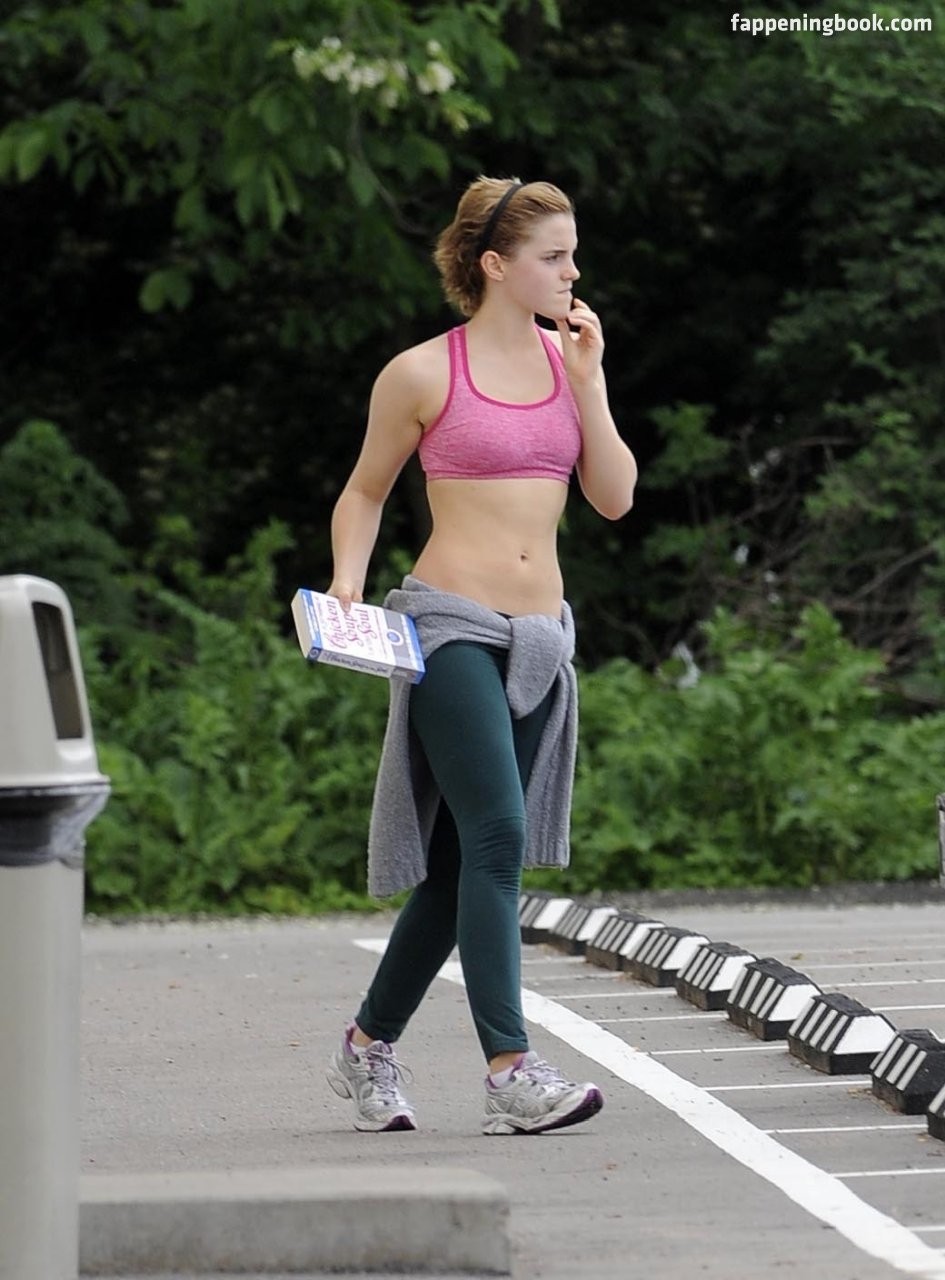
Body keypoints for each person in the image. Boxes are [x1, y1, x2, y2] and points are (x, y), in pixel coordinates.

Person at [324, 176, 637, 1135]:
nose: (572, 272)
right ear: (496, 265)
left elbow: (614, 497)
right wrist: (347, 582)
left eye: (573, 254)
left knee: (459, 866)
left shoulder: (567, 363)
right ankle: (511, 1070)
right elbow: (365, 491)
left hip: (540, 637)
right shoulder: (423, 373)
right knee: (497, 836)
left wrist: (589, 383)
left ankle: (365, 1049)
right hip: (448, 626)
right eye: (554, 256)